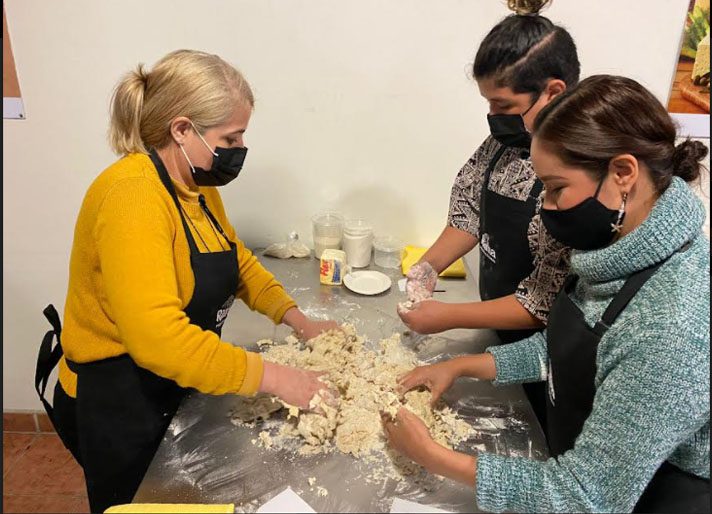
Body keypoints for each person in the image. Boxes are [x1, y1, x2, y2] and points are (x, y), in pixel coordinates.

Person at [384, 75, 710, 512]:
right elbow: (568, 349)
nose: (546, 207)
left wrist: (432, 456)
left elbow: (585, 495)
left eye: (555, 189)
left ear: (623, 173)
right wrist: (463, 365)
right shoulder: (617, 247)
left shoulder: (673, 323)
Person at [34, 49, 338, 513]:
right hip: (120, 399)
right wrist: (275, 378)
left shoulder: (198, 187)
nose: (238, 149)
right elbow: (158, 339)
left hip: (174, 383)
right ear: (182, 130)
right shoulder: (131, 196)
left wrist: (296, 318)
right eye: (230, 137)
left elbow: (237, 261)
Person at [399, 0, 578, 432]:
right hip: (495, 334)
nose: (492, 117)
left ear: (553, 92)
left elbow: (542, 304)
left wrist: (447, 317)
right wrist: (428, 266)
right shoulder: (503, 143)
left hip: (543, 356)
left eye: (502, 104)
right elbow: (469, 209)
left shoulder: (575, 170)